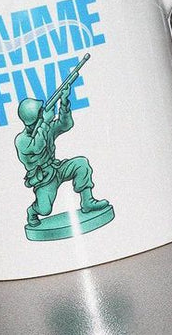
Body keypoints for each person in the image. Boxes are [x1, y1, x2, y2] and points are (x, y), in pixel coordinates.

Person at [14, 85, 109, 228]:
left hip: (57, 168)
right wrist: (45, 122)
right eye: (40, 113)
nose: (44, 112)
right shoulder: (22, 140)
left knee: (81, 164)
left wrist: (64, 103)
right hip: (43, 179)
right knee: (45, 209)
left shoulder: (44, 128)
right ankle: (32, 211)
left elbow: (65, 124)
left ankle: (87, 202)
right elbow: (37, 146)